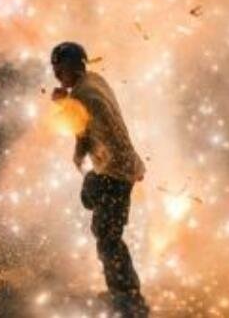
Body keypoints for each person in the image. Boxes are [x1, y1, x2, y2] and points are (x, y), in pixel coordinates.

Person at [51, 42, 149, 317]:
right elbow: (90, 121)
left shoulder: (83, 95)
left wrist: (65, 104)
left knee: (107, 237)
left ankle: (129, 300)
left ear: (75, 66)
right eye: (55, 70)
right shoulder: (94, 80)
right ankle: (124, 292)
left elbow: (81, 129)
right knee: (101, 221)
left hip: (115, 171)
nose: (57, 75)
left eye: (60, 69)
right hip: (118, 166)